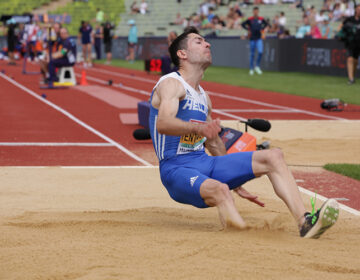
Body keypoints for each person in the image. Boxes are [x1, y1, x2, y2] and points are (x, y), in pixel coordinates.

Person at [148, 26, 339, 238]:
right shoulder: (171, 84)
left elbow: (213, 143)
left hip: (205, 164)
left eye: (206, 41)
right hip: (176, 170)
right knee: (220, 190)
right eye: (199, 41)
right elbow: (163, 123)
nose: (208, 44)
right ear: (182, 54)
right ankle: (242, 242)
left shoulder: (203, 97)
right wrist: (199, 128)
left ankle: (305, 222)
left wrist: (236, 182)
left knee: (273, 156)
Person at [241, 7, 268, 75]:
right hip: (252, 38)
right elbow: (243, 24)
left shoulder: (261, 19)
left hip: (259, 38)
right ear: (253, 12)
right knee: (252, 54)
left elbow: (266, 24)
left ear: (258, 12)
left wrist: (262, 28)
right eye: (254, 11)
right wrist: (248, 29)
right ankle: (251, 69)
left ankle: (257, 66)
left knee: (260, 52)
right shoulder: (250, 19)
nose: (255, 12)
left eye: (256, 11)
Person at [338, 4, 360, 84]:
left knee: (355, 61)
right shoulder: (350, 19)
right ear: (355, 10)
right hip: (350, 43)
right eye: (358, 9)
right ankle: (351, 78)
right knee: (350, 59)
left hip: (359, 43)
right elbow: (341, 26)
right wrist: (339, 34)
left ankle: (352, 76)